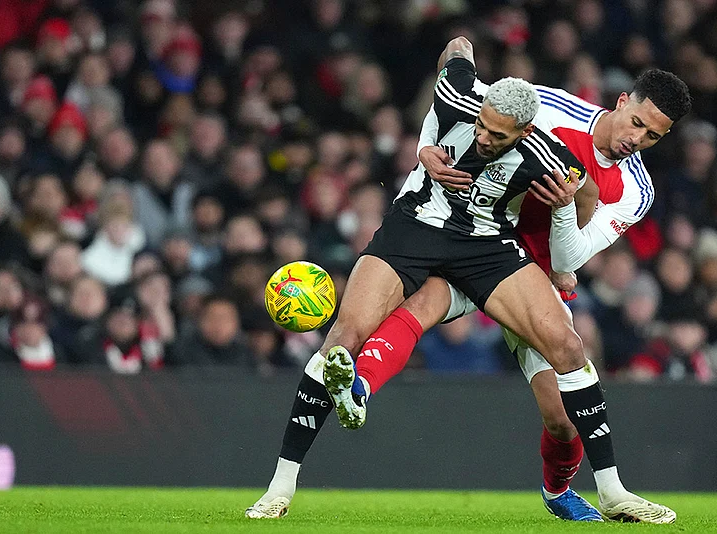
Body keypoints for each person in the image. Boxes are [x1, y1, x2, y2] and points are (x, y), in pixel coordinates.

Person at [249, 38, 690, 523]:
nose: (638, 138)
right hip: (426, 229)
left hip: (508, 258)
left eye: (653, 136)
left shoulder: (621, 184)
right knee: (357, 333)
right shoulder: (539, 108)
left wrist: (569, 205)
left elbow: (570, 257)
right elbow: (455, 63)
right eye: (637, 123)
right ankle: (287, 477)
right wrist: (424, 149)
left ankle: (581, 491)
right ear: (621, 102)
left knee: (564, 410)